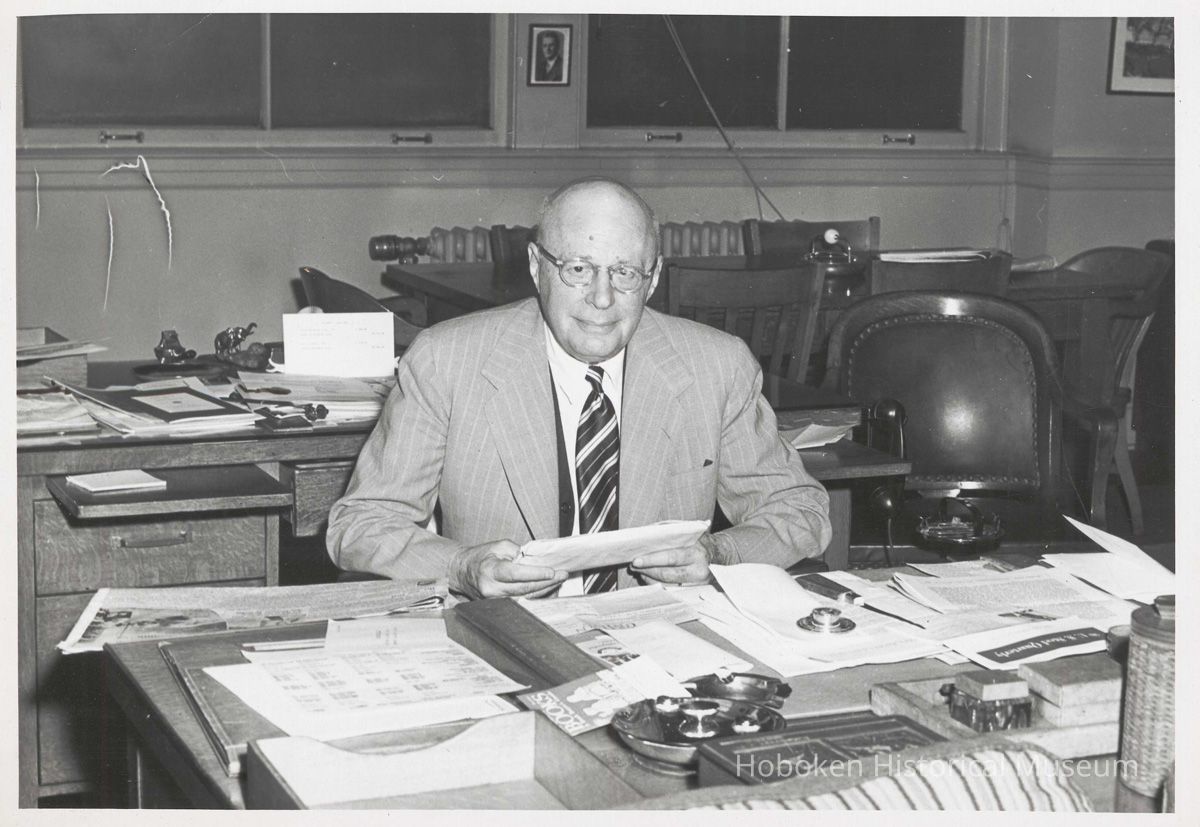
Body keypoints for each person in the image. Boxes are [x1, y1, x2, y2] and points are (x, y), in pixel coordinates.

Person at [327, 177, 831, 599]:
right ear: (536, 266)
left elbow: (800, 510)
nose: (602, 297)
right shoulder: (446, 361)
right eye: (578, 269)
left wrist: (718, 555)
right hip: (505, 635)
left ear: (652, 280)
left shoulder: (717, 366)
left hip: (664, 636)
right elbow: (360, 524)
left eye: (625, 272)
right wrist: (462, 566)